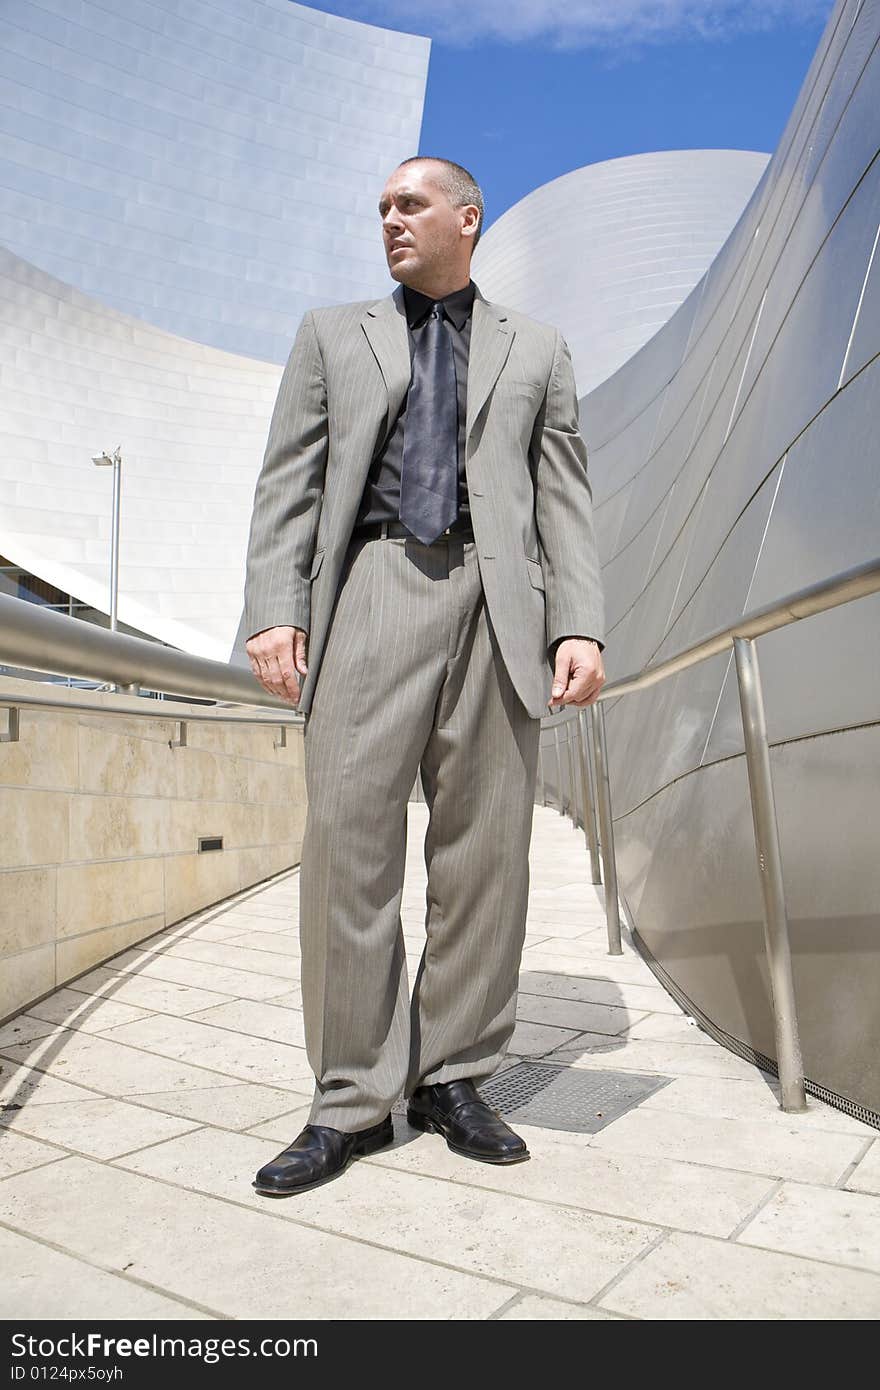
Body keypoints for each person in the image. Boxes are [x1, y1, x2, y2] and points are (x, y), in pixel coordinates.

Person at [241, 156, 606, 1196]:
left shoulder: (537, 349)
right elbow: (288, 482)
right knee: (348, 843)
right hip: (372, 586)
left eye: (410, 204)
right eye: (383, 209)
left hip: (502, 606)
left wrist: (576, 622)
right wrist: (275, 607)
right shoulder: (331, 333)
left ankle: (452, 1075)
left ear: (466, 217)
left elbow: (562, 496)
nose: (391, 221)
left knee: (484, 857)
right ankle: (349, 1097)